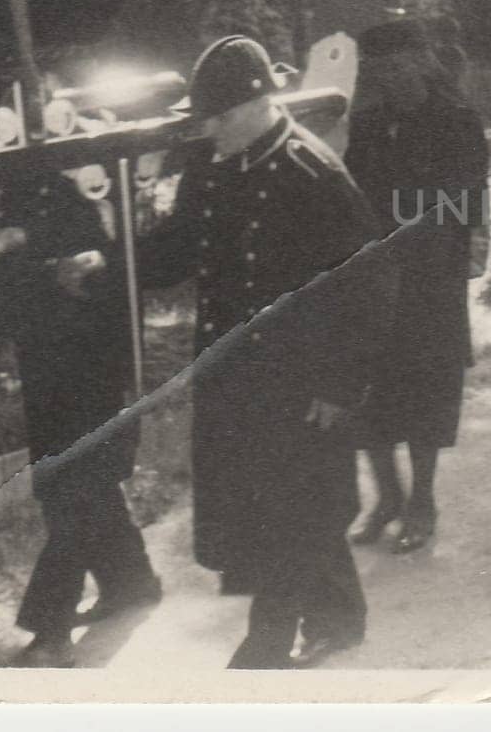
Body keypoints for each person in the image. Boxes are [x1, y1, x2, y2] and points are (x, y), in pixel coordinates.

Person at [130, 35, 387, 669]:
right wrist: (115, 260)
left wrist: (338, 386)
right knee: (282, 502)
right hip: (234, 374)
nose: (208, 130)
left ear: (255, 104)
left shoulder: (314, 173)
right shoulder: (214, 169)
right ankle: (340, 616)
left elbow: (368, 289)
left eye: (217, 117)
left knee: (292, 504)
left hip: (302, 377)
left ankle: (265, 647)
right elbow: (176, 253)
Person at [0, 173, 161, 669]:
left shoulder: (72, 199)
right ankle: (131, 581)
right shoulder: (28, 195)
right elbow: (10, 305)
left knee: (74, 494)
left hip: (88, 373)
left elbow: (75, 284)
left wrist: (12, 266)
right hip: (51, 375)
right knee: (77, 488)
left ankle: (51, 629)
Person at [343, 18, 489, 554]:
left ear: (422, 60)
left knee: (427, 391)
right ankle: (387, 497)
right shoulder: (368, 124)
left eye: (398, 65)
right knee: (371, 393)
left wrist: (415, 237)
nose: (389, 79)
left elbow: (469, 205)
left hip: (431, 278)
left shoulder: (456, 121)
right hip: (374, 280)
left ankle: (423, 502)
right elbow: (352, 195)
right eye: (377, 71)